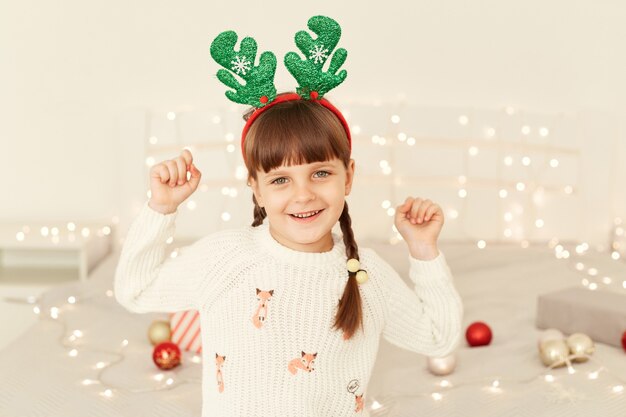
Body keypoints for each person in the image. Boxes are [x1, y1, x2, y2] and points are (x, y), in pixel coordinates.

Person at [115, 15, 463, 417]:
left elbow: (440, 337)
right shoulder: (225, 258)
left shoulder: (366, 275)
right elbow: (135, 291)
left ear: (348, 177)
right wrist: (162, 209)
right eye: (281, 180)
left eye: (320, 173)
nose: (303, 194)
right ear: (256, 188)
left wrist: (424, 251)